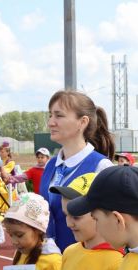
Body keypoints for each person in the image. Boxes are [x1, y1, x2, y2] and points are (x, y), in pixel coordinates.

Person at [39, 90, 115, 252]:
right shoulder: (51, 165)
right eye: (50, 115)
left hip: (86, 263)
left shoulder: (101, 167)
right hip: (49, 263)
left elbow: (112, 224)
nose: (51, 122)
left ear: (82, 122)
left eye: (59, 116)